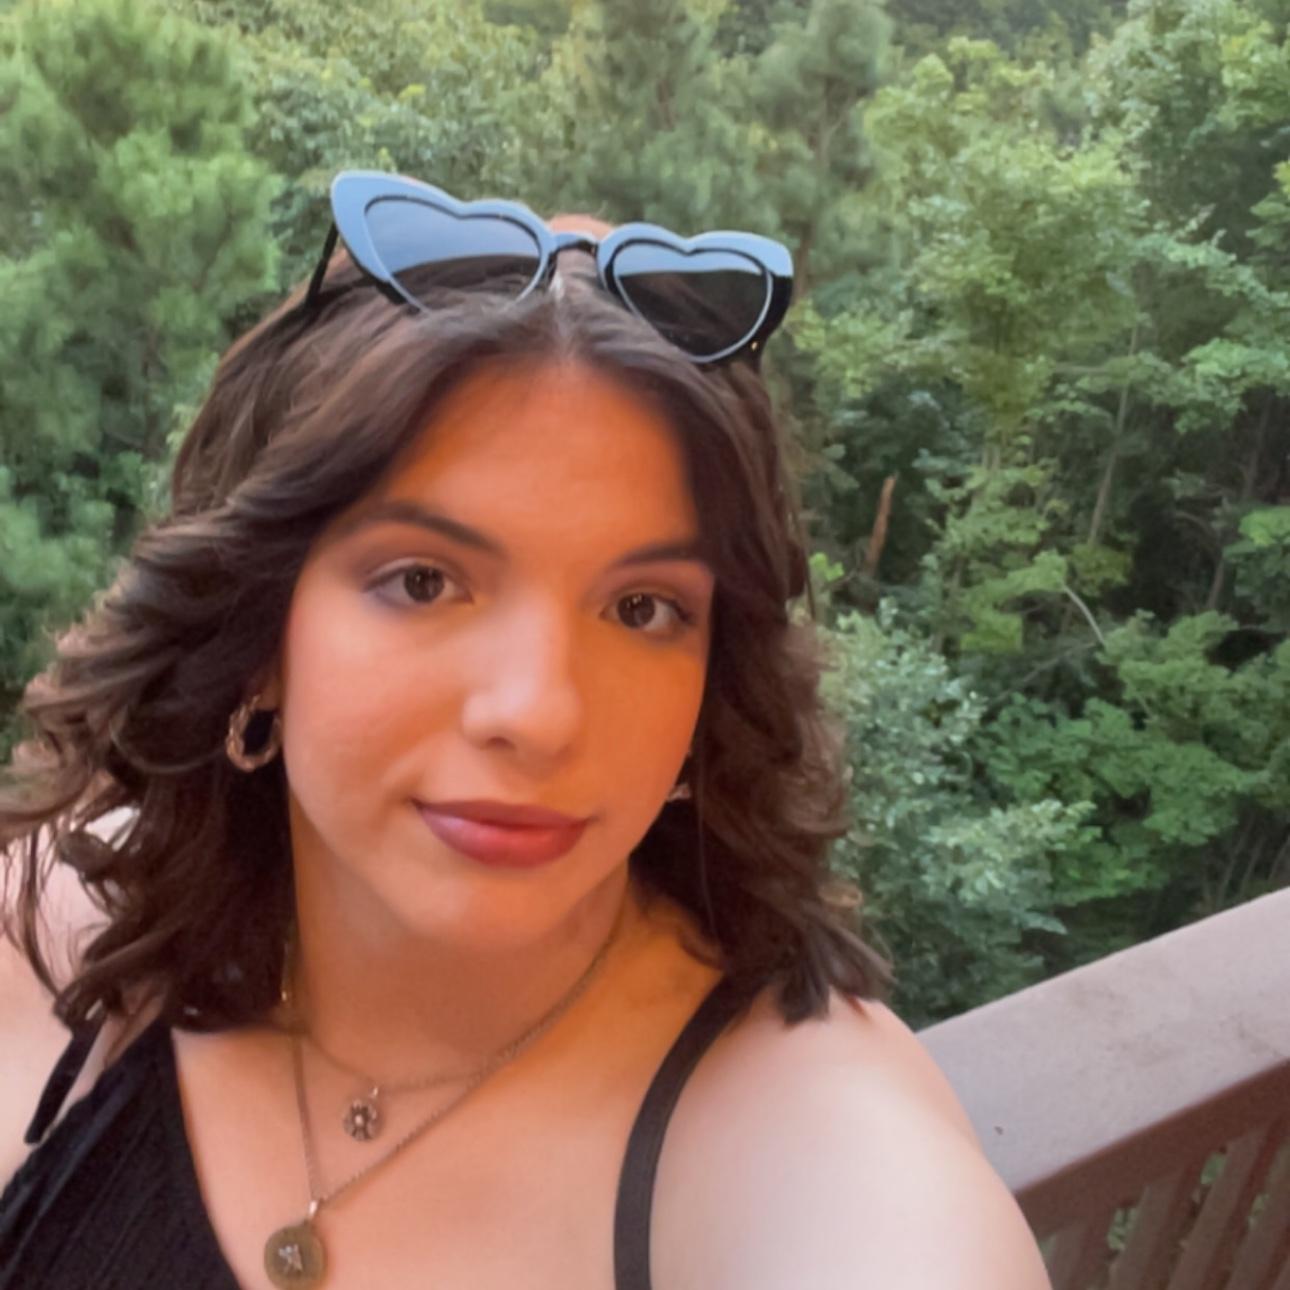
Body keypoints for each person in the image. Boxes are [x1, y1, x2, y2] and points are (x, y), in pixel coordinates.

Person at [0, 171, 1052, 1289]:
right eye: (423, 581)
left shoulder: (798, 1135)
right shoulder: (70, 923)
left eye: (641, 609)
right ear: (258, 632)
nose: (538, 714)